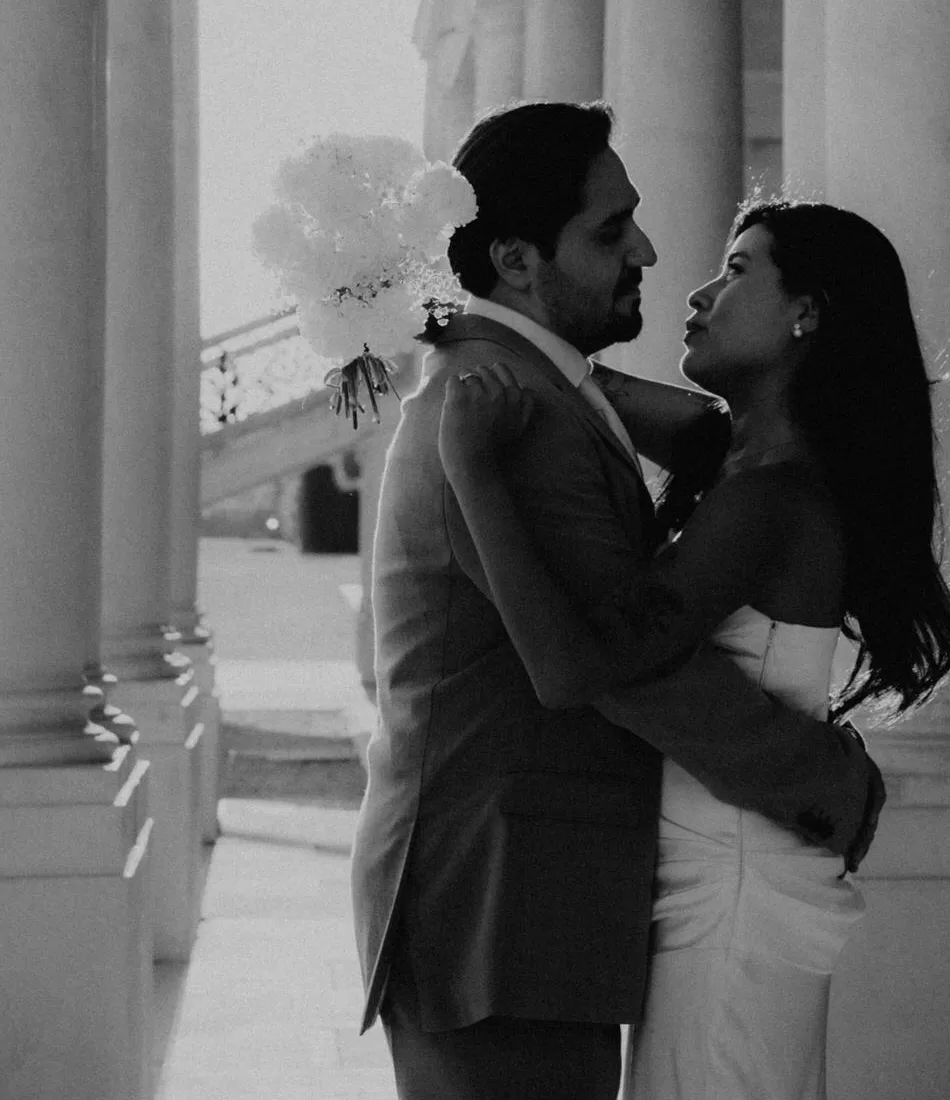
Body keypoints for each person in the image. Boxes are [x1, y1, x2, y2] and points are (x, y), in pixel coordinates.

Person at [351, 103, 887, 1100]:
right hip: (504, 903)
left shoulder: (533, 388)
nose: (647, 248)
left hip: (530, 893)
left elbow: (725, 459)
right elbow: (625, 670)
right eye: (610, 230)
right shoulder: (514, 414)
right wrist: (826, 780)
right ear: (515, 259)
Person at [440, 199, 950, 1100]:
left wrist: (474, 474)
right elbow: (580, 383)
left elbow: (572, 669)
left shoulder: (770, 495)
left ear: (809, 312)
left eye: (738, 270)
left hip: (736, 883)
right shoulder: (743, 451)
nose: (698, 291)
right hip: (731, 861)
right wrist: (453, 316)